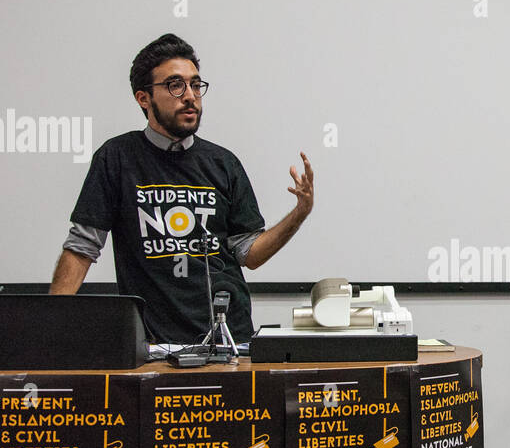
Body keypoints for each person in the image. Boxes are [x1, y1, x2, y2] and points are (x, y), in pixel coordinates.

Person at [49, 34, 314, 344]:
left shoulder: (223, 163)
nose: (189, 96)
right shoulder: (117, 158)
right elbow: (82, 246)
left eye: (195, 85)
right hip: (154, 345)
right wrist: (51, 327)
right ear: (143, 98)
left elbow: (249, 254)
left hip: (229, 339)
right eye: (175, 85)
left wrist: (299, 214)